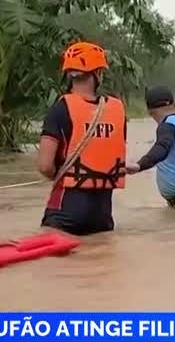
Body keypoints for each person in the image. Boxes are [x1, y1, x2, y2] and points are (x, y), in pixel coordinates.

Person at [38, 41, 128, 235]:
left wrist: (64, 176)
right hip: (102, 215)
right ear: (98, 74)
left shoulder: (59, 109)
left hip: (66, 209)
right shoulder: (117, 110)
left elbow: (45, 165)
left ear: (69, 74)